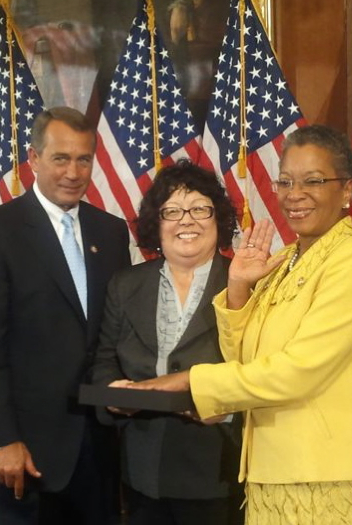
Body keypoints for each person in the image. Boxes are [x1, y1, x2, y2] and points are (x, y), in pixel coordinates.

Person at [128, 125, 352, 523]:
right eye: (286, 181)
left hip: (334, 479)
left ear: (347, 190)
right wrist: (238, 286)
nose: (295, 194)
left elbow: (296, 372)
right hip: (276, 474)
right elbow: (243, 356)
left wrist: (190, 381)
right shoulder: (287, 258)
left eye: (314, 181)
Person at [0, 107, 131, 524]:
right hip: (26, 450)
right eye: (60, 158)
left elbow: (116, 331)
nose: (73, 171)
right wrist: (0, 439)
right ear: (33, 158)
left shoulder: (111, 231)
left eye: (83, 159)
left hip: (101, 442)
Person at [92, 161, 243, 525]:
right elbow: (104, 359)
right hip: (143, 469)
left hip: (220, 466)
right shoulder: (125, 284)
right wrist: (113, 393)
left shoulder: (244, 282)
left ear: (217, 218)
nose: (186, 221)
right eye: (172, 211)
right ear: (155, 223)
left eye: (199, 209)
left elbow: (261, 369)